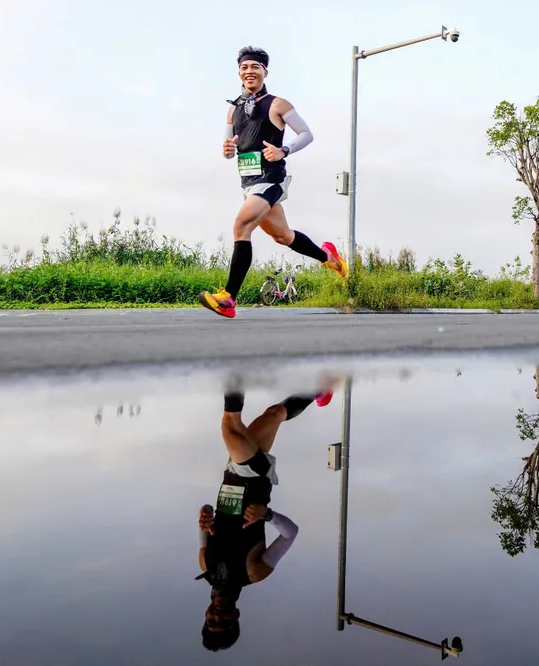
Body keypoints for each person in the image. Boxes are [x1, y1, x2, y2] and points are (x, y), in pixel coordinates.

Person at [200, 46, 347, 318]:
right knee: (283, 236)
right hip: (249, 182)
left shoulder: (278, 104)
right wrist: (227, 150)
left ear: (264, 72)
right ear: (239, 73)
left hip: (270, 179)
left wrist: (284, 150)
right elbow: (228, 148)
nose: (249, 71)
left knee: (241, 225)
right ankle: (330, 258)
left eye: (255, 67)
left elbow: (306, 134)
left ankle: (228, 298)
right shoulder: (233, 110)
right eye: (244, 68)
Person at [196, 379, 336, 651]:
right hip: (254, 479)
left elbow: (208, 516)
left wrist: (205, 513)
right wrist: (266, 515)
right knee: (230, 427)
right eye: (223, 621)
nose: (217, 615)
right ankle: (236, 370)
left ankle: (320, 390)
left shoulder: (205, 565)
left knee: (275, 413)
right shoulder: (253, 573)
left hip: (231, 473)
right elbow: (290, 534)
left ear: (206, 614)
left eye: (211, 620)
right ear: (235, 617)